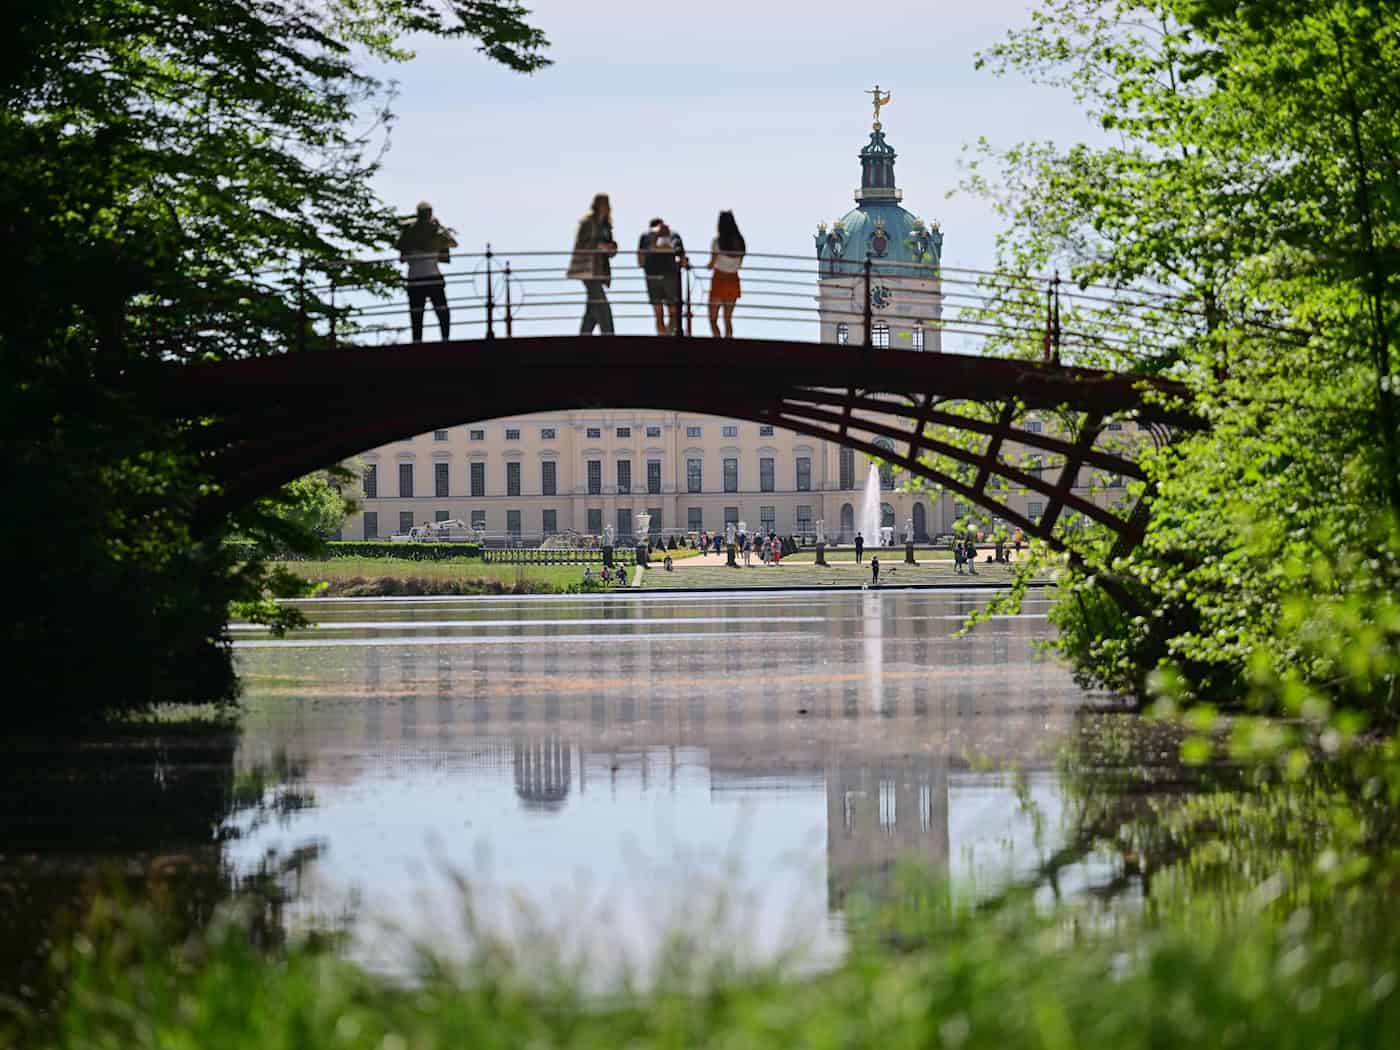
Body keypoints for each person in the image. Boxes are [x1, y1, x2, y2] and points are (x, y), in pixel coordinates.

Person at [396, 201, 457, 342]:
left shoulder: (408, 232)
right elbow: (452, 243)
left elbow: (401, 255)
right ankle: (445, 338)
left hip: (414, 277)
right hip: (432, 276)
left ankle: (418, 340)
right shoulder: (436, 232)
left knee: (417, 312)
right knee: (441, 310)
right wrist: (440, 228)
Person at [566, 193, 617, 335]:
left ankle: (584, 336)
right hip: (588, 270)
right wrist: (598, 245)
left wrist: (611, 248)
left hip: (600, 270)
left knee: (592, 308)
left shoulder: (606, 224)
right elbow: (581, 245)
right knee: (602, 306)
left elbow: (608, 245)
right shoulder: (587, 222)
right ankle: (609, 335)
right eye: (603, 204)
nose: (606, 207)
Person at [637, 218, 686, 335]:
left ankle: (663, 336)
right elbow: (681, 256)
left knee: (659, 313)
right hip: (670, 275)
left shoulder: (645, 236)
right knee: (673, 312)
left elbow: (640, 259)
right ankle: (669, 335)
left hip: (652, 275)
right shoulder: (673, 235)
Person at [706, 210, 745, 338]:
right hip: (733, 279)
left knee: (713, 319)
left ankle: (717, 344)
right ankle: (729, 344)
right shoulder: (740, 242)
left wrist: (708, 266)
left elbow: (711, 264)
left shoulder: (717, 242)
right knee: (727, 319)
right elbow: (740, 264)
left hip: (719, 279)